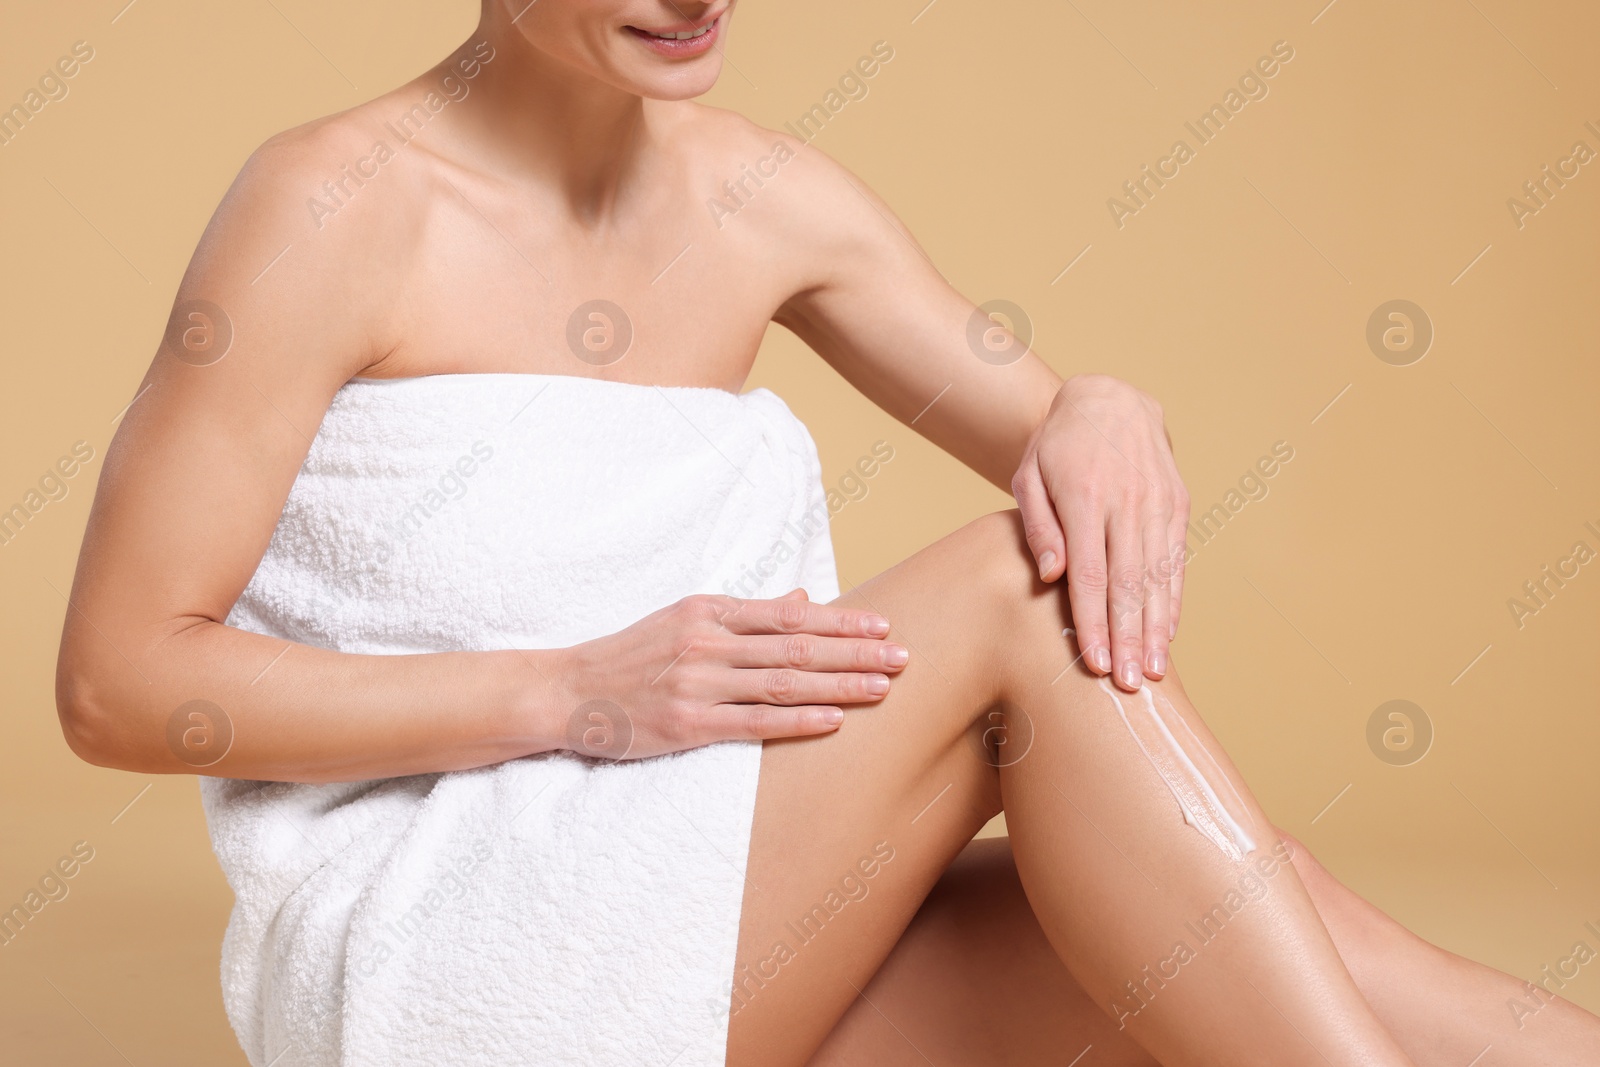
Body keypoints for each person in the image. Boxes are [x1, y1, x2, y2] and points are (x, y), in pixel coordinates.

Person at [54, 2, 1600, 1064]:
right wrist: (568, 692)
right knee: (1015, 599)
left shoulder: (767, 200)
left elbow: (1060, 438)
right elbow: (119, 683)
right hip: (449, 964)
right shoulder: (333, 205)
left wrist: (1107, 407)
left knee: (1238, 913)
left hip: (699, 916)